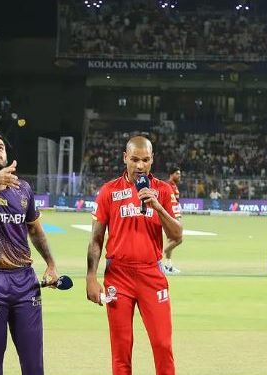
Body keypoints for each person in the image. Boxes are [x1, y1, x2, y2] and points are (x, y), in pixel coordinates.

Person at [86, 136, 183, 375]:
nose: (140, 165)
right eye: (135, 159)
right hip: (118, 276)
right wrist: (91, 277)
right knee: (121, 350)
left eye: (146, 160)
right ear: (124, 158)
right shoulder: (109, 191)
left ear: (152, 160)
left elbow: (178, 234)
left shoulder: (163, 190)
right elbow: (96, 239)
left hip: (152, 274)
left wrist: (157, 207)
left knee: (162, 345)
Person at [0, 129, 59, 375]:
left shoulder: (24, 189)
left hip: (25, 280)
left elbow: (36, 230)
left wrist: (50, 264)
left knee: (33, 364)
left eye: (0, 147)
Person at [163, 166, 183, 275]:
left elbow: (176, 203)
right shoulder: (168, 186)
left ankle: (168, 266)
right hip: (170, 217)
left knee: (171, 241)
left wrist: (179, 213)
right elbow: (169, 203)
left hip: (173, 216)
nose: (179, 176)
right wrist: (175, 217)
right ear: (171, 174)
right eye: (177, 174)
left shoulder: (174, 186)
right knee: (179, 239)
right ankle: (156, 259)